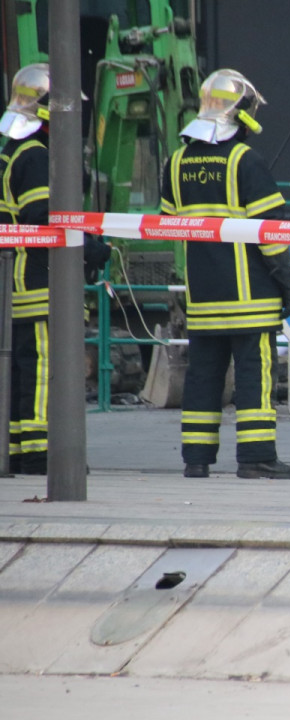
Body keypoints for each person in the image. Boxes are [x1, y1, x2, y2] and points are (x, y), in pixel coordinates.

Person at [160, 69, 290, 480]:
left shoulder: (176, 162)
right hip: (250, 296)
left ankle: (196, 459)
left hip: (203, 295)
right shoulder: (246, 161)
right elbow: (270, 235)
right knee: (254, 376)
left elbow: (170, 226)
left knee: (202, 375)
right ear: (241, 113)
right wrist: (286, 284)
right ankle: (256, 456)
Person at [0, 63, 110, 475]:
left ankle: (16, 448)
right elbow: (45, 217)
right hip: (37, 282)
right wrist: (92, 246)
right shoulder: (34, 155)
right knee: (43, 368)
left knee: (18, 371)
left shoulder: (8, 149)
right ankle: (40, 454)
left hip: (13, 286)